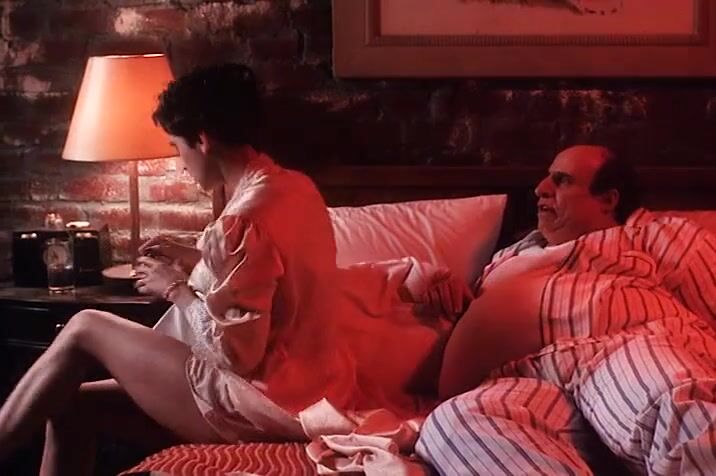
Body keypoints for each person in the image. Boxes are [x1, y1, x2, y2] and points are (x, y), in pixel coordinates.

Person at [415, 144, 716, 475]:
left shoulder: (657, 235)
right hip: (528, 377)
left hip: (620, 346)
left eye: (561, 180)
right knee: (455, 423)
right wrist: (449, 298)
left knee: (669, 394)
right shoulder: (508, 257)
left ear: (608, 199)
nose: (540, 189)